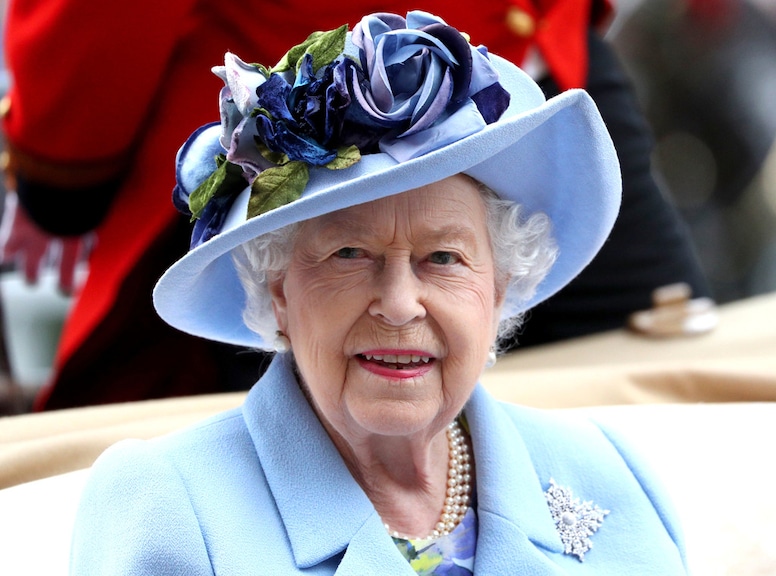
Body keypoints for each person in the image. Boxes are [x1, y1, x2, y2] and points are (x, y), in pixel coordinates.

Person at [70, 11, 687, 574]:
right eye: (349, 254)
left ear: (499, 287)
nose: (398, 304)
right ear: (278, 289)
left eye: (443, 258)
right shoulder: (168, 507)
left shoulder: (613, 471)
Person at [1, 0, 711, 412]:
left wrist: (65, 173)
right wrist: (66, 163)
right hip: (302, 153)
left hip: (536, 90)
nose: (405, 303)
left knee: (662, 405)